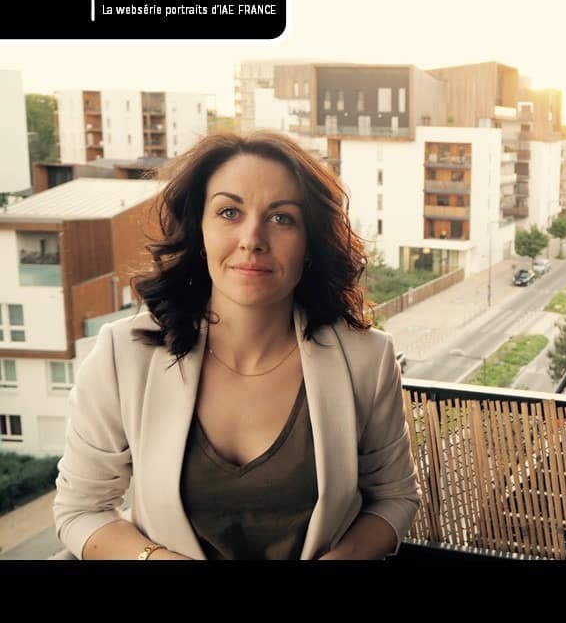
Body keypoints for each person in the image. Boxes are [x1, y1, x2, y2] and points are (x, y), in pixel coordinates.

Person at [53, 130, 420, 560]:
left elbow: (395, 497)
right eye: (229, 212)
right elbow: (81, 509)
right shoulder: (124, 356)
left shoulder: (367, 360)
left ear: (310, 243)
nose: (252, 239)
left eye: (282, 218)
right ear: (200, 230)